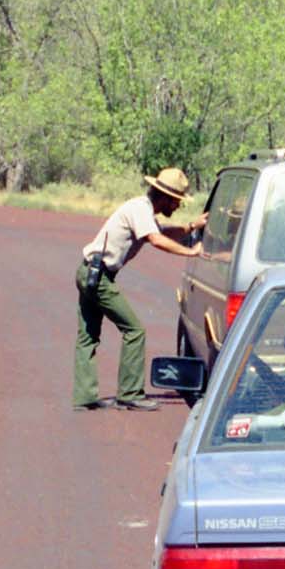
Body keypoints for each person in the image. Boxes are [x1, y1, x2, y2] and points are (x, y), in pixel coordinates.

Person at [73, 167, 209, 411]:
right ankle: (130, 393)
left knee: (88, 336)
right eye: (176, 201)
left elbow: (162, 232)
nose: (177, 206)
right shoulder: (140, 209)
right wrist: (191, 251)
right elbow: (156, 239)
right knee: (135, 331)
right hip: (98, 275)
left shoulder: (143, 210)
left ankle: (83, 398)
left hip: (89, 272)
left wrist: (190, 226)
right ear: (164, 197)